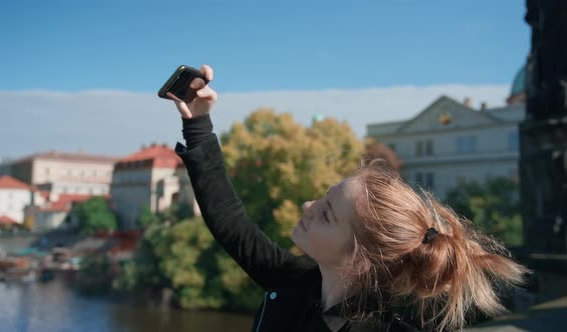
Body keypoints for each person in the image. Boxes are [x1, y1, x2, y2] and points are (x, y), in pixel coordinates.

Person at [166, 65, 529, 332]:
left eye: (326, 214)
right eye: (322, 199)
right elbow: (229, 220)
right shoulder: (294, 281)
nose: (307, 206)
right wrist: (198, 123)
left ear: (358, 260)